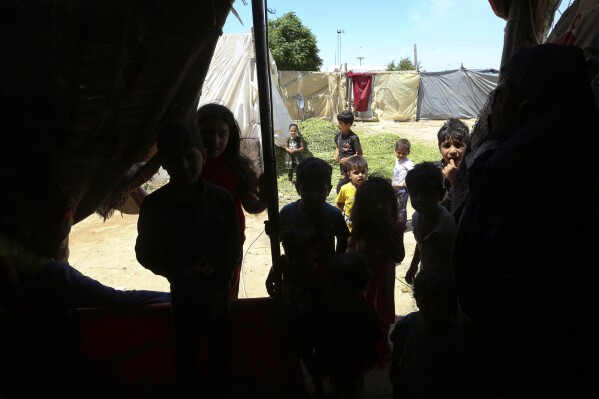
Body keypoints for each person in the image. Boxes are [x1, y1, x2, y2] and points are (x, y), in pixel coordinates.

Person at [453, 44, 598, 398]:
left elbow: (484, 179)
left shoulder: (542, 138)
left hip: (518, 317)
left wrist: (499, 134)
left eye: (514, 86)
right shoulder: (565, 127)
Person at [136, 120, 242, 398]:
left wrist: (218, 274)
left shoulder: (222, 199)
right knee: (185, 353)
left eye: (190, 156)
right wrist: (181, 271)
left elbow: (234, 245)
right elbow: (145, 252)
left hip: (219, 293)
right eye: (173, 159)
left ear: (203, 156)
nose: (183, 165)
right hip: (183, 293)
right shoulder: (154, 206)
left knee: (219, 353)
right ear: (164, 163)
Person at [270, 157, 350, 393]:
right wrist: (274, 272)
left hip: (323, 288)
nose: (314, 195)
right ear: (297, 188)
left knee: (324, 333)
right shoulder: (287, 214)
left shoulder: (333, 216)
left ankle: (318, 373)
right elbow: (281, 248)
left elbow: (343, 239)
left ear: (328, 187)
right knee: (298, 336)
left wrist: (336, 265)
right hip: (294, 287)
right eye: (307, 189)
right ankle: (311, 373)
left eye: (320, 189)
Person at [196, 103, 267, 300]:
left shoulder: (235, 166)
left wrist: (266, 199)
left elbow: (251, 206)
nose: (215, 140)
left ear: (230, 136)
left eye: (222, 134)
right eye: (207, 133)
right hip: (196, 245)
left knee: (226, 297)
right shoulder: (190, 165)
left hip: (230, 244)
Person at [313, 252, 387, 398]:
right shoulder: (363, 306)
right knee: (348, 380)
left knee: (344, 379)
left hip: (343, 351)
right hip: (346, 352)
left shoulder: (328, 301)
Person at [407, 121, 468, 281]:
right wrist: (414, 265)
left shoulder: (471, 173)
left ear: (467, 146)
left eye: (458, 145)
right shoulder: (434, 173)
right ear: (440, 147)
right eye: (447, 145)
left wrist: (455, 181)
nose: (453, 151)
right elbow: (422, 237)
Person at [389, 270, 460, 399]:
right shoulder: (406, 324)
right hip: (410, 382)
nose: (433, 310)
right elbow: (398, 350)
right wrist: (395, 368)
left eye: (440, 303)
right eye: (427, 302)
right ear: (416, 299)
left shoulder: (456, 332)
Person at [348, 177, 405, 330]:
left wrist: (386, 237)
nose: (380, 207)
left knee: (381, 316)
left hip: (383, 281)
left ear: (391, 205)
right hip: (363, 279)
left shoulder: (395, 228)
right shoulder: (361, 226)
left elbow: (399, 256)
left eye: (384, 203)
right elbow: (350, 247)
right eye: (374, 204)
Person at [404, 163, 457, 284]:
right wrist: (413, 266)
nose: (419, 200)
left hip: (446, 283)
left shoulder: (448, 225)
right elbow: (421, 244)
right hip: (426, 277)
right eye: (414, 194)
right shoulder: (416, 218)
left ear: (441, 194)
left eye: (426, 194)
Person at [335, 155, 368, 231]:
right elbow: (339, 203)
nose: (360, 175)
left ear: (367, 171)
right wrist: (342, 215)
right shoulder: (345, 188)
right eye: (356, 173)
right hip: (350, 228)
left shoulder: (371, 188)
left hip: (367, 226)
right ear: (349, 175)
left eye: (363, 172)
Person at [333, 110, 363, 193]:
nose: (338, 125)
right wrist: (336, 154)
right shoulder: (338, 135)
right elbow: (337, 146)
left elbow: (360, 154)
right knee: (349, 184)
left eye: (340, 124)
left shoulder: (353, 138)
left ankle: (339, 200)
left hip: (352, 166)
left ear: (349, 125)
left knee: (340, 185)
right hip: (343, 166)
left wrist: (348, 159)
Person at [391, 138, 415, 224]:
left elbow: (413, 173)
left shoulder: (408, 163)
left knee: (402, 207)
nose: (401, 155)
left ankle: (402, 223)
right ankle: (395, 220)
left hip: (402, 189)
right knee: (394, 205)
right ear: (395, 151)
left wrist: (408, 182)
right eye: (398, 153)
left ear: (408, 152)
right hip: (394, 187)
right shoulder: (397, 161)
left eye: (404, 153)